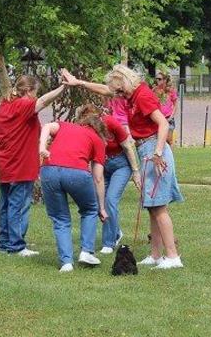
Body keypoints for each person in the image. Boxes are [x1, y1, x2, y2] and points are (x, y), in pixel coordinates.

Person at [60, 65, 184, 269]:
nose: (117, 95)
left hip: (154, 149)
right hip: (145, 149)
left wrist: (158, 153)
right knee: (152, 207)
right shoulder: (131, 95)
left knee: (159, 206)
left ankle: (172, 257)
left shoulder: (142, 95)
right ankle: (155, 255)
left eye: (119, 90)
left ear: (126, 82)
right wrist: (79, 82)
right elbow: (105, 90)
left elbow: (163, 123)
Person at [0, 75, 66, 256]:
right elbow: (43, 101)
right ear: (28, 91)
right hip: (21, 165)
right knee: (18, 206)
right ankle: (16, 246)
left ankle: (4, 243)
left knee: (5, 205)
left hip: (5, 164)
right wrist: (62, 88)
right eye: (35, 91)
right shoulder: (22, 105)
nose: (36, 95)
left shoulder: (4, 106)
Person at [38, 107, 108, 272]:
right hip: (76, 172)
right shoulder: (98, 140)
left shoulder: (66, 126)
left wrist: (42, 147)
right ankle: (86, 252)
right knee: (90, 209)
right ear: (100, 130)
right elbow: (98, 177)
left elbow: (46, 126)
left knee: (60, 218)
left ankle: (66, 263)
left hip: (49, 170)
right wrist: (102, 207)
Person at [91, 103, 141, 255]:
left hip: (121, 164)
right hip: (102, 165)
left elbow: (127, 147)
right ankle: (116, 231)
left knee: (110, 200)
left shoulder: (111, 123)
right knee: (99, 201)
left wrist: (135, 171)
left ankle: (108, 242)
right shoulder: (89, 128)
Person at [152, 69, 178, 144]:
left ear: (165, 80)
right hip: (158, 118)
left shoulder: (170, 90)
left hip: (168, 118)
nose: (157, 81)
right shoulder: (154, 90)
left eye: (159, 79)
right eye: (156, 79)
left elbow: (175, 104)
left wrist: (171, 116)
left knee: (168, 140)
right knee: (158, 140)